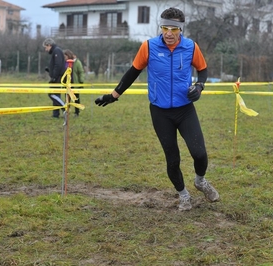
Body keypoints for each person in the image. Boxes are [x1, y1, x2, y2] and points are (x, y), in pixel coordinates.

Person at [94, 7, 219, 211]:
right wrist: (113, 95)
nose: (169, 33)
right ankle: (183, 195)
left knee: (199, 153)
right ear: (160, 27)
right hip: (160, 112)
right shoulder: (149, 47)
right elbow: (132, 72)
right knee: (173, 159)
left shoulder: (190, 47)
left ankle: (200, 181)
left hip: (185, 109)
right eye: (165, 28)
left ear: (181, 30)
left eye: (174, 29)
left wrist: (199, 86)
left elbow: (202, 70)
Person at [43, 38, 66, 118]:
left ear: (49, 45)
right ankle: (55, 114)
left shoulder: (57, 51)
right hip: (56, 77)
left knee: (52, 94)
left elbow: (58, 65)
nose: (46, 49)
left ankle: (65, 108)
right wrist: (50, 70)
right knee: (55, 95)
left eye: (46, 47)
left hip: (57, 78)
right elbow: (56, 65)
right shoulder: (56, 51)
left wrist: (54, 77)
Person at [63, 49, 85, 117]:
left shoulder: (77, 62)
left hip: (75, 83)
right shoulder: (65, 62)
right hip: (67, 83)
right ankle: (66, 111)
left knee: (76, 98)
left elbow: (80, 72)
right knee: (67, 98)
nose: (64, 57)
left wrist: (81, 81)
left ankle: (77, 112)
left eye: (65, 56)